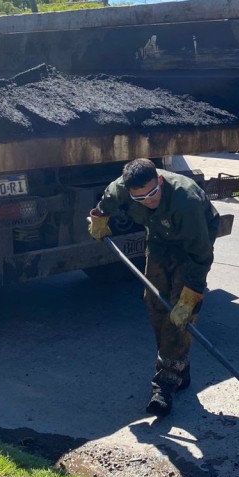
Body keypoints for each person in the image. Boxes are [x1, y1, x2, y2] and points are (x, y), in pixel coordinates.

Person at [88, 158, 221, 417]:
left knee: (179, 315)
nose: (148, 200)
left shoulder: (186, 202)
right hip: (160, 241)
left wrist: (192, 295)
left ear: (159, 180)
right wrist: (99, 219)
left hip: (192, 246)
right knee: (155, 304)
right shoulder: (121, 189)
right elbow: (107, 202)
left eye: (152, 193)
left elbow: (201, 254)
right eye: (140, 198)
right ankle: (179, 368)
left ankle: (164, 384)